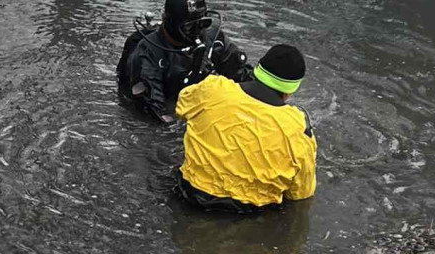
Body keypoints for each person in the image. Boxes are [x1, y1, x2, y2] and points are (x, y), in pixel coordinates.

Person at [174, 44, 318, 212]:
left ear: (258, 69)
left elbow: (181, 106)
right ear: (291, 90)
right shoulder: (300, 129)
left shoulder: (213, 88)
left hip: (190, 195)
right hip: (251, 214)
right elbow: (301, 194)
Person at [117, 0, 252, 123]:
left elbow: (244, 77)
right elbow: (153, 111)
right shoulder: (149, 50)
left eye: (203, 23)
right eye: (189, 26)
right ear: (168, 22)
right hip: (168, 101)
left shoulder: (213, 37)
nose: (198, 31)